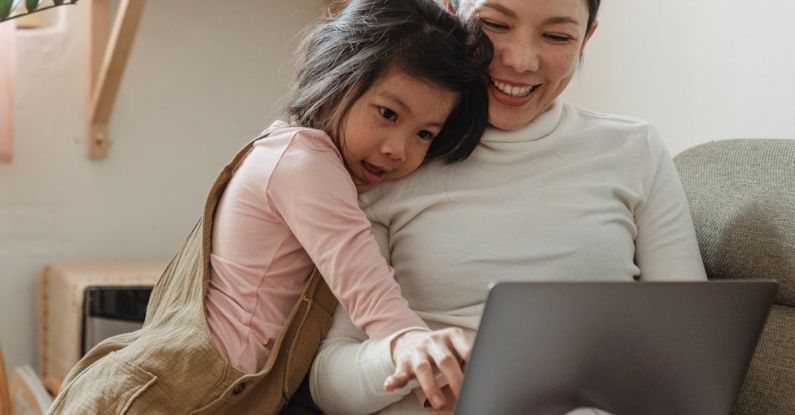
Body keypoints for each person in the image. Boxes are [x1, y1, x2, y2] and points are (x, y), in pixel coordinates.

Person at [48, 1, 491, 414]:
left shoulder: (296, 153)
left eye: (425, 135)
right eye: (388, 114)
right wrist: (411, 340)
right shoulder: (304, 163)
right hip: (163, 397)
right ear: (338, 77)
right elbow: (364, 281)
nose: (398, 149)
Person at [308, 0, 708, 414]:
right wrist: (405, 354)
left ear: (586, 37)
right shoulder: (393, 157)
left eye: (556, 36)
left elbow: (692, 352)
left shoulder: (634, 150)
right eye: (494, 25)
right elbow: (328, 383)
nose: (520, 61)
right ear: (450, 12)